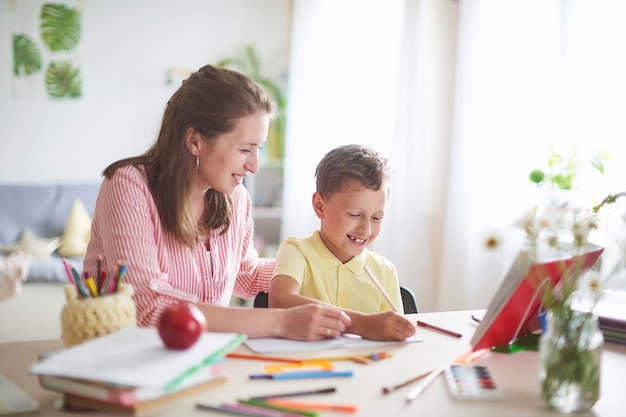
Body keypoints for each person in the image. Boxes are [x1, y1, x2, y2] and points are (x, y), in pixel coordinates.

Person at [82, 65, 350, 340]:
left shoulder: (236, 198)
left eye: (259, 149)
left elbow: (245, 274)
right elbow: (147, 305)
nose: (254, 166)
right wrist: (279, 322)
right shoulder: (128, 186)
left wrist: (324, 263)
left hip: (199, 359)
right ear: (195, 140)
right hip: (123, 362)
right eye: (245, 149)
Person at [269, 144, 416, 341]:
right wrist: (362, 324)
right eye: (354, 214)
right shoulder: (297, 251)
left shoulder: (385, 270)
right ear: (320, 206)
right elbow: (281, 301)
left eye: (376, 218)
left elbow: (394, 334)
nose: (366, 230)